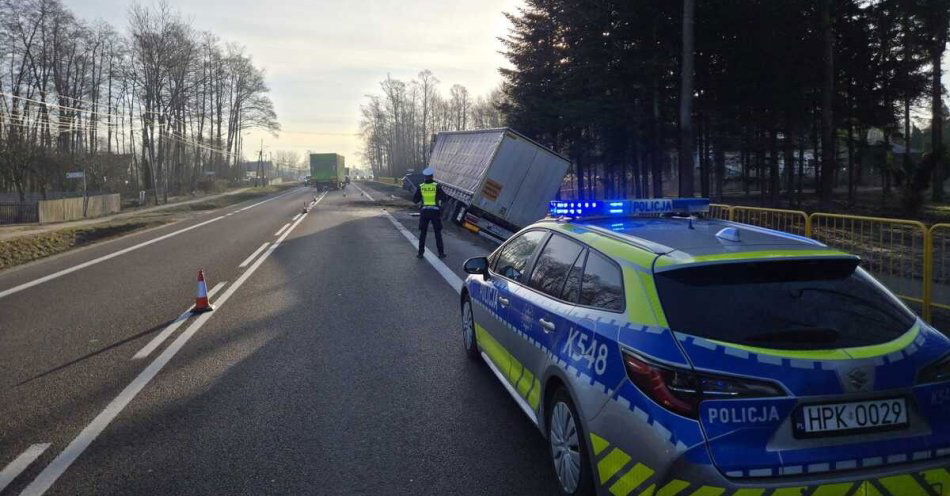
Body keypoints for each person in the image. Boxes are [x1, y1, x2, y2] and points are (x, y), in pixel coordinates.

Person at [412, 167, 447, 258]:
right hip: (435, 212)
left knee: (423, 233)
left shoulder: (421, 186)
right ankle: (441, 253)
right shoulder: (437, 186)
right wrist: (439, 202)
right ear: (432, 176)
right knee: (437, 233)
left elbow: (415, 200)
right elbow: (444, 198)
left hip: (424, 212)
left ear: (425, 177)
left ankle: (420, 253)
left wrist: (420, 203)